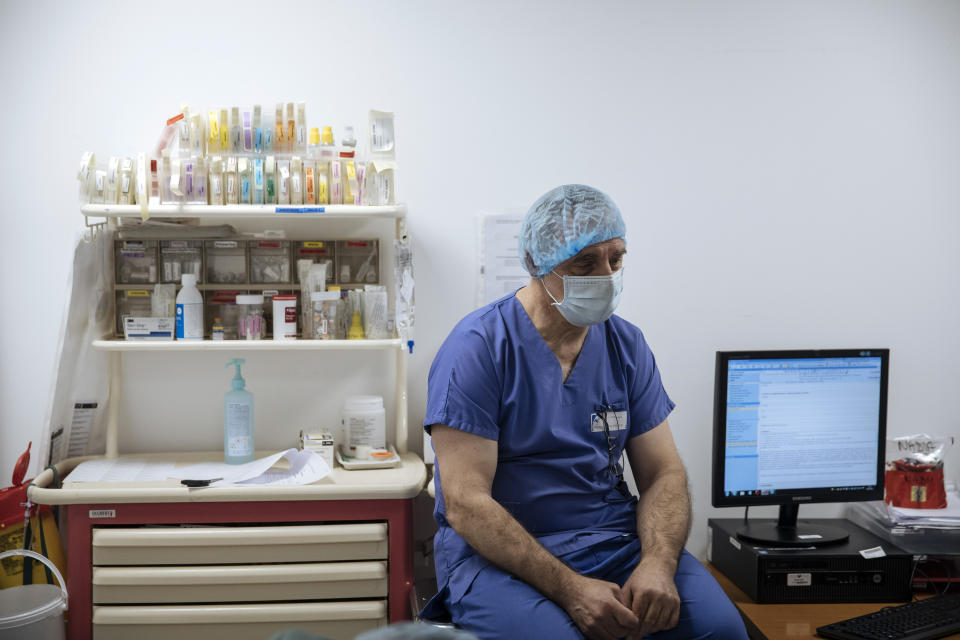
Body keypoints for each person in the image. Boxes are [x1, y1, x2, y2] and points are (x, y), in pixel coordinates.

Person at [420, 185, 748, 639]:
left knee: (720, 629)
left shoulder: (625, 345)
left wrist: (656, 563)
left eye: (616, 259)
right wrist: (571, 589)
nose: (607, 275)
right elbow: (464, 503)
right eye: (585, 263)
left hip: (613, 540)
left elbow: (664, 473)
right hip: (501, 557)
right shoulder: (478, 349)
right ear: (539, 264)